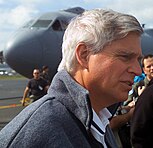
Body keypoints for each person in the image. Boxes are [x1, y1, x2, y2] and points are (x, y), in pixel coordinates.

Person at [0, 9, 143, 147]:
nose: (137, 71)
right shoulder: (37, 134)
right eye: (125, 57)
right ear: (84, 55)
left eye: (138, 60)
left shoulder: (99, 118)